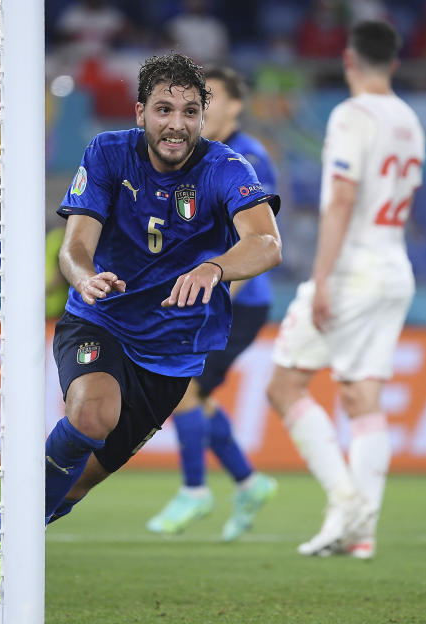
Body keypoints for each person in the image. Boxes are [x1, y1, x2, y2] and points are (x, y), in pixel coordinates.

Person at [0, 52, 281, 615]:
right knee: (92, 414)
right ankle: (19, 557)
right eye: (164, 108)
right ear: (140, 111)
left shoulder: (226, 167)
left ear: (204, 116)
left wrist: (214, 267)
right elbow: (75, 247)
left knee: (76, 484)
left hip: (172, 352)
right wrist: (84, 276)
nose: (177, 123)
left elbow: (267, 243)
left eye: (191, 111)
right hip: (100, 317)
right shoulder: (108, 152)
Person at [265, 20, 425, 559]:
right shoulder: (409, 119)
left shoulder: (352, 115)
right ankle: (362, 533)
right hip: (394, 269)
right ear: (395, 64)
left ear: (349, 61)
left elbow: (341, 198)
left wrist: (324, 275)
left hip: (354, 269)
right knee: (362, 397)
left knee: (284, 386)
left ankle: (346, 504)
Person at [145, 66, 278, 541]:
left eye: (211, 98)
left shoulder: (248, 158)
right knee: (191, 396)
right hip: (198, 293)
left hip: (236, 300)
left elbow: (257, 242)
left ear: (235, 106)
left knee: (183, 392)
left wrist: (214, 304)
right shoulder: (193, 155)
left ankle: (195, 490)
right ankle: (249, 481)